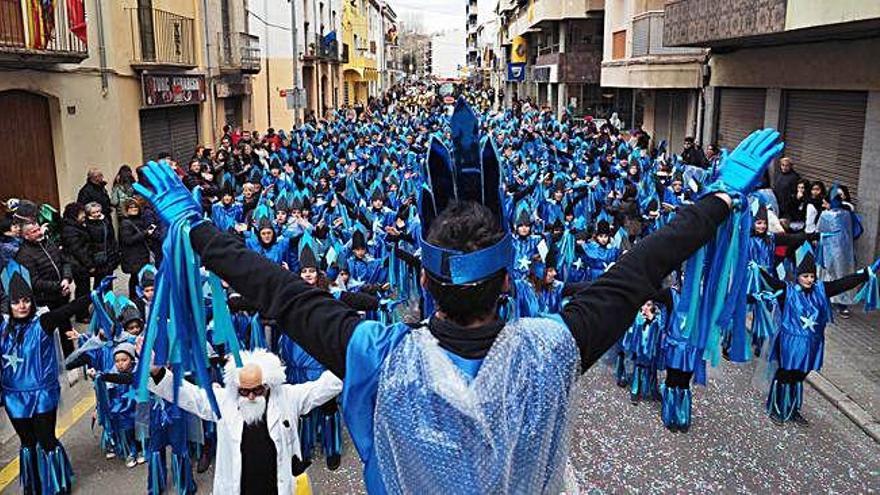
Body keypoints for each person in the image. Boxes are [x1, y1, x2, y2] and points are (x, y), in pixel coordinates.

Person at [135, 105, 785, 492]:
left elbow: (276, 292)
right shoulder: (551, 349)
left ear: (423, 282)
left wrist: (195, 227)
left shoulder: (379, 355)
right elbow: (640, 269)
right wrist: (719, 198)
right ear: (508, 283)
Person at [148, 349, 342, 494]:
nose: (250, 396)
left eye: (257, 390)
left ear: (268, 385)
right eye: (244, 391)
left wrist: (350, 361)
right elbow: (191, 396)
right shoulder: (224, 401)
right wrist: (158, 373)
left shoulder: (288, 397)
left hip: (278, 486)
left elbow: (322, 388)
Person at [1, 262, 94, 494]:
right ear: (9, 304)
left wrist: (93, 295)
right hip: (14, 396)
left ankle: (57, 483)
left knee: (46, 440)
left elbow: (68, 310)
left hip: (43, 394)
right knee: (27, 442)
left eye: (26, 301)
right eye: (16, 302)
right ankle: (34, 485)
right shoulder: (2, 328)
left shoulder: (42, 322)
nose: (22, 306)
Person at [14, 221, 74, 355]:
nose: (39, 232)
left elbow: (65, 262)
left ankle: (71, 357)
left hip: (62, 296)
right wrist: (59, 287)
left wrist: (66, 279)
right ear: (26, 236)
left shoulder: (48, 243)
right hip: (46, 301)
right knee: (53, 335)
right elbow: (34, 282)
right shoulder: (23, 255)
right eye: (34, 231)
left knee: (66, 329)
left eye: (38, 229)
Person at [60, 203, 94, 323]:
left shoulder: (75, 225)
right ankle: (81, 314)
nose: (84, 215)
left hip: (79, 263)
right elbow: (78, 250)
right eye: (81, 213)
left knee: (83, 289)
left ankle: (82, 312)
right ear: (74, 215)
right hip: (77, 264)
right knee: (82, 291)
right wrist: (89, 265)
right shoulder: (70, 229)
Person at [118, 199, 157, 299]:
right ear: (126, 209)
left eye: (135, 207)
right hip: (133, 256)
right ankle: (134, 298)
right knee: (135, 278)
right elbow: (128, 240)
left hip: (141, 254)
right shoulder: (125, 223)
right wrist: (145, 233)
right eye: (131, 207)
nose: (134, 209)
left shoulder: (140, 220)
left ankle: (140, 297)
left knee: (139, 277)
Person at [84, 201, 120, 286]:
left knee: (109, 281)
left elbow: (111, 237)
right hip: (97, 257)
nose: (97, 214)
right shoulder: (87, 225)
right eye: (93, 212)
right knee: (99, 282)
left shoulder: (105, 221)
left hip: (108, 255)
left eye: (98, 211)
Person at [772, 157, 800, 222]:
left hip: (787, 206)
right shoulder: (778, 174)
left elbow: (794, 193)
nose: (784, 167)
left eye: (787, 165)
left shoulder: (794, 177)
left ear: (790, 166)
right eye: (783, 165)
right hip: (777, 202)